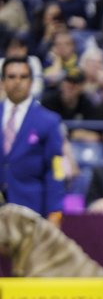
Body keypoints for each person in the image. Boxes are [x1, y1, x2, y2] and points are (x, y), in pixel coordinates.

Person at [0, 57, 65, 225]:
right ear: (3, 81)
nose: (17, 82)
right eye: (11, 76)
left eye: (23, 77)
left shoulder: (49, 121)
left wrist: (55, 210)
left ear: (31, 82)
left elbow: (55, 168)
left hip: (31, 210)